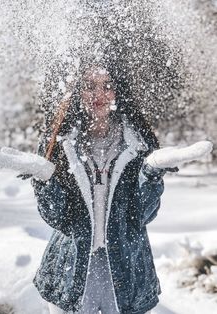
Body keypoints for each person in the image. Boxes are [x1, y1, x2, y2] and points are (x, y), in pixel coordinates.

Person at [31, 56, 174, 314]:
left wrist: (151, 175)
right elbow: (57, 217)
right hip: (70, 269)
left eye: (107, 85)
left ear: (118, 89)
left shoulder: (137, 143)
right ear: (77, 91)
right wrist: (44, 180)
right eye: (89, 86)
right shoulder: (60, 142)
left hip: (127, 270)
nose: (99, 94)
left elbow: (141, 215)